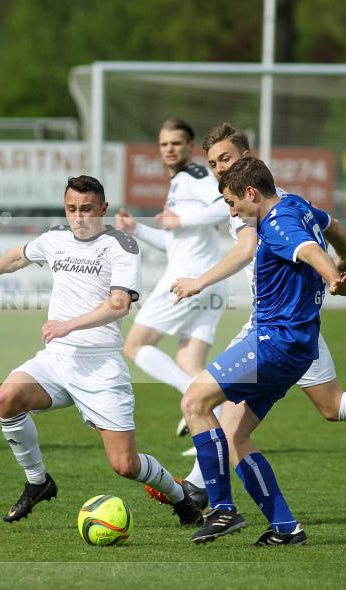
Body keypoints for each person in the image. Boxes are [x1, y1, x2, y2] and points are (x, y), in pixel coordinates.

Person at [146, 122, 346, 509]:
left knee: (210, 398)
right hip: (289, 323)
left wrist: (199, 281)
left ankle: (202, 492)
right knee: (328, 406)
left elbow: (247, 248)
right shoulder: (281, 198)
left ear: (248, 158)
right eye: (214, 162)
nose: (220, 168)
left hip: (278, 328)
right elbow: (332, 224)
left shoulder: (253, 207)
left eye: (227, 158)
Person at [0, 175, 202, 526]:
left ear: (103, 208)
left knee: (126, 465)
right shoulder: (56, 238)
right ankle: (38, 482)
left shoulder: (121, 245)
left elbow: (119, 305)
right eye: (72, 208)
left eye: (87, 209)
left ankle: (183, 499)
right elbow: (19, 255)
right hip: (58, 359)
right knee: (7, 398)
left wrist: (68, 324)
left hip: (100, 367)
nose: (79, 217)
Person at [182, 156, 346, 545]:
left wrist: (333, 277)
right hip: (298, 350)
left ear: (251, 192)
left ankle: (222, 510)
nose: (232, 211)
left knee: (195, 402)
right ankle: (285, 526)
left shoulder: (277, 224)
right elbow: (334, 228)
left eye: (232, 202)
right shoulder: (295, 204)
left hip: (273, 343)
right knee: (235, 436)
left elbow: (309, 249)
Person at [115, 118, 229, 440]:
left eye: (176, 143)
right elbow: (173, 240)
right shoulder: (179, 182)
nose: (169, 149)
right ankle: (216, 430)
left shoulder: (195, 175)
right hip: (207, 280)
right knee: (189, 360)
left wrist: (183, 217)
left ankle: (195, 402)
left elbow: (226, 206)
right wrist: (136, 229)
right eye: (164, 144)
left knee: (135, 346)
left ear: (190, 148)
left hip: (189, 279)